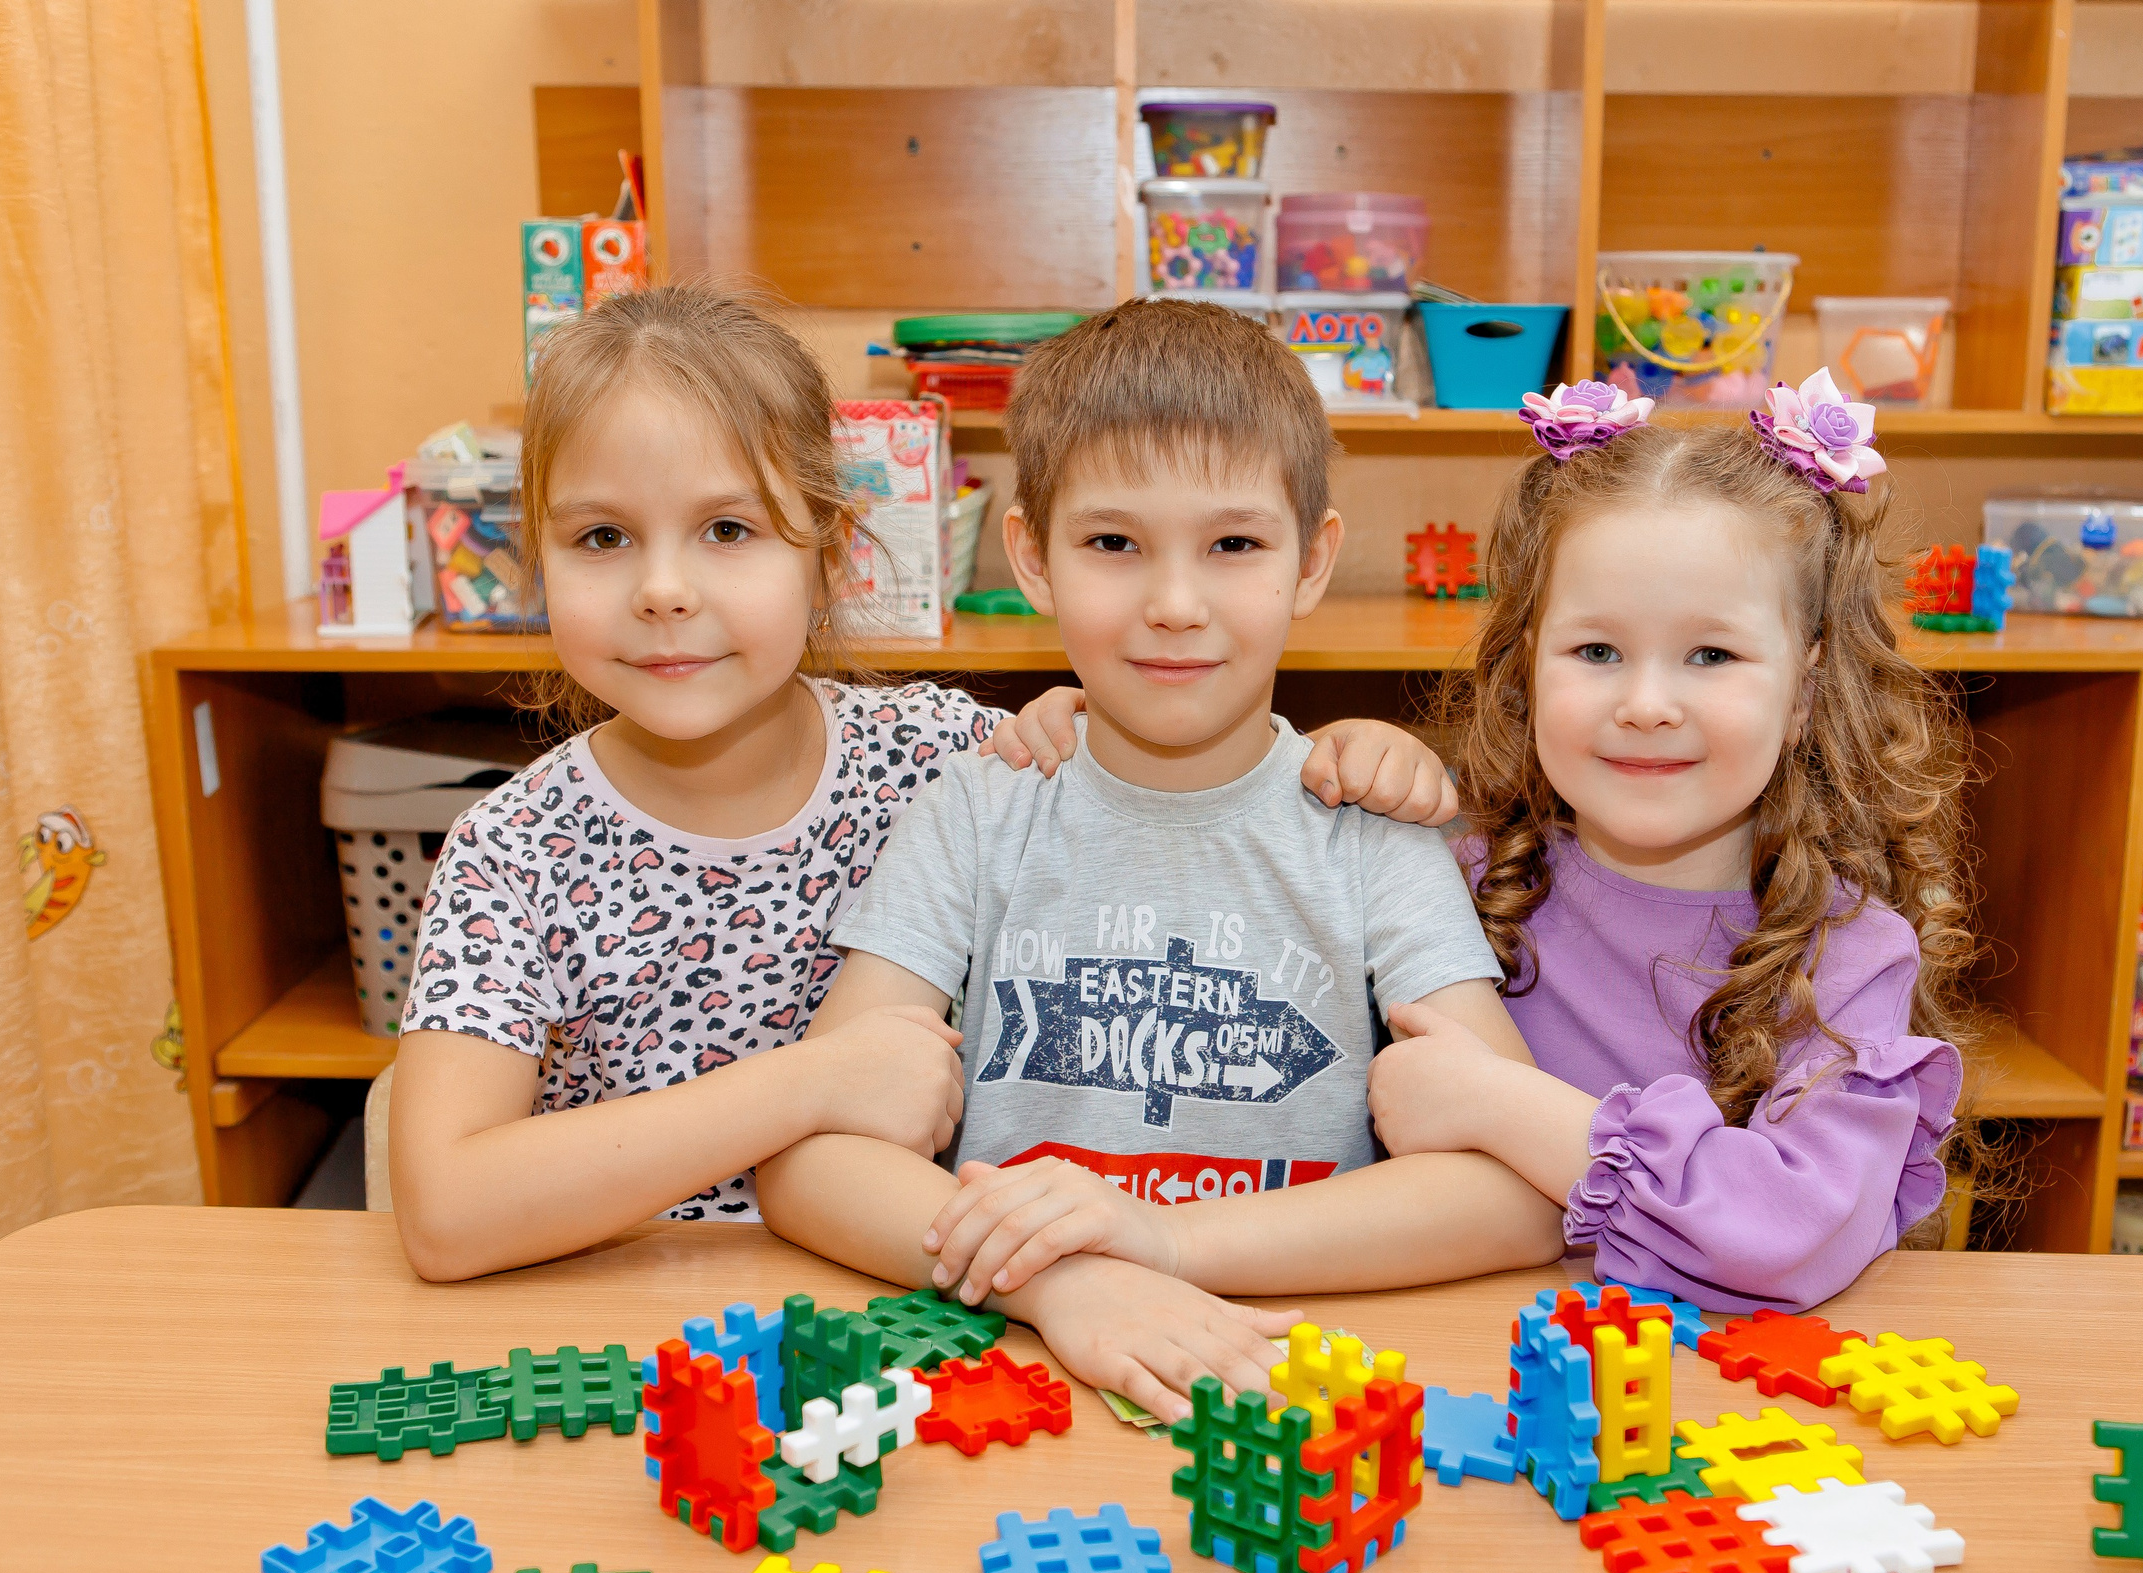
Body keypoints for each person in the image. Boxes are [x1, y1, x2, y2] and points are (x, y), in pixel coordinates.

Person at [387, 284, 1451, 1284]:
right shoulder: (510, 848)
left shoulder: (945, 754)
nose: (664, 590)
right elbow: (443, 1210)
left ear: (833, 555)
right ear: (538, 560)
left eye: (727, 529)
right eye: (602, 536)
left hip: (899, 1290)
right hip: (627, 1302)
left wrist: (1347, 752)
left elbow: (1160, 760)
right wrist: (815, 1081)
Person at [769, 299, 1566, 1420]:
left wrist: (1163, 1243)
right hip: (1013, 1378)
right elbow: (807, 1157)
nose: (1176, 605)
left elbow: (1523, 1193)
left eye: (1233, 545)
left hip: (1281, 1383)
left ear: (1311, 561)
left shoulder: (1372, 833)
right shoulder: (975, 813)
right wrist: (1061, 1282)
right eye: (1113, 544)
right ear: (1032, 559)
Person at [1367, 370, 1978, 1313]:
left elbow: (1787, 1239)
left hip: (1710, 1390)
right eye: (1598, 651)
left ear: (1805, 693)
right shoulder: (1457, 887)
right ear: (1527, 671)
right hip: (1463, 1357)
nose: (1647, 705)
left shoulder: (1849, 959)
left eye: (1711, 655)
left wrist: (1497, 1101)